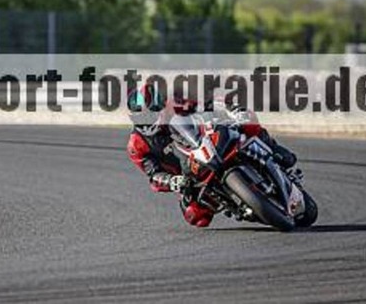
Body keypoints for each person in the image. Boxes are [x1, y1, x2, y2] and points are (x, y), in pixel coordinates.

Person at [126, 83, 297, 228]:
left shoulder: (176, 101)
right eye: (142, 117)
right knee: (196, 217)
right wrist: (172, 181)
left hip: (207, 141)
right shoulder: (137, 145)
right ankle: (237, 204)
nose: (147, 120)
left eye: (150, 114)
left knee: (247, 122)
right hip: (189, 176)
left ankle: (273, 148)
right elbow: (154, 175)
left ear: (159, 105)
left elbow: (212, 100)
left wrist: (234, 109)